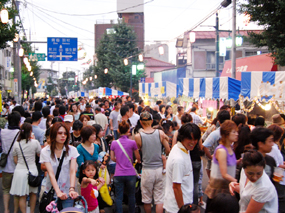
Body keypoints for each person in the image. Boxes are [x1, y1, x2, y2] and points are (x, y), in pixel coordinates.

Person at [135, 111, 170, 213]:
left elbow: (138, 152)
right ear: (151, 121)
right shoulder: (160, 133)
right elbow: (168, 149)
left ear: (141, 122)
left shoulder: (138, 136)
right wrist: (163, 154)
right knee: (159, 199)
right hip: (160, 169)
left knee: (147, 200)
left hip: (147, 170)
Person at [39, 122, 79, 209]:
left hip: (68, 189)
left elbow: (72, 171)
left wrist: (72, 188)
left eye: (65, 133)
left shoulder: (72, 150)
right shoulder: (46, 151)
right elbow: (51, 173)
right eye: (60, 133)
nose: (63, 136)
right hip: (52, 190)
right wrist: (58, 192)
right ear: (54, 134)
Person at [164, 123, 201, 213]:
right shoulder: (179, 159)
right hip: (177, 208)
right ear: (182, 137)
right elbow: (176, 187)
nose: (193, 142)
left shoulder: (180, 148)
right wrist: (183, 210)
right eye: (190, 139)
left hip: (179, 205)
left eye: (195, 139)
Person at [205, 120, 238, 211]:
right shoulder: (222, 151)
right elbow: (224, 174)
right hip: (218, 191)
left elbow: (230, 164)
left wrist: (239, 161)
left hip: (225, 189)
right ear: (226, 134)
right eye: (234, 132)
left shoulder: (230, 148)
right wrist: (237, 182)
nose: (237, 134)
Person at [10, 123, 41, 213]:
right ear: (31, 131)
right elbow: (39, 154)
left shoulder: (17, 144)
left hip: (20, 171)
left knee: (22, 195)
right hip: (32, 170)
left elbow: (15, 160)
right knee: (33, 193)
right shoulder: (35, 143)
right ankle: (32, 211)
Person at [110, 121, 141, 213]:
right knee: (131, 195)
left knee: (118, 196)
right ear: (128, 130)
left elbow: (112, 158)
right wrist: (132, 161)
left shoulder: (114, 143)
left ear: (118, 130)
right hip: (130, 173)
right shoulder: (132, 143)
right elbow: (138, 158)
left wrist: (119, 161)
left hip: (118, 173)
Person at [1, 112, 21, 213]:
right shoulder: (20, 133)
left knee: (6, 189)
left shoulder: (2, 132)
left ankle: (6, 210)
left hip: (6, 167)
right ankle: (16, 211)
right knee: (17, 191)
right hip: (18, 166)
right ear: (19, 121)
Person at [203, 110, 231, 178]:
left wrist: (210, 156)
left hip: (217, 163)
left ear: (218, 121)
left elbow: (205, 145)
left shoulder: (215, 133)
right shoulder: (232, 133)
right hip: (228, 163)